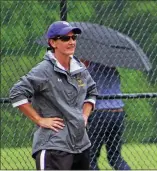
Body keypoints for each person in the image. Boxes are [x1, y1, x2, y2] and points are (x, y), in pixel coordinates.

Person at [9, 21, 98, 170]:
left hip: (81, 145)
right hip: (54, 146)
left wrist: (85, 115)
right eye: (65, 38)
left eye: (73, 38)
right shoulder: (44, 70)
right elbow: (16, 93)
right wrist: (39, 119)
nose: (71, 42)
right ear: (53, 42)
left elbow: (92, 91)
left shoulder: (79, 68)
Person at [81, 60, 131, 170]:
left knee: (89, 157)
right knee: (115, 157)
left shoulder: (89, 72)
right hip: (118, 113)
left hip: (101, 113)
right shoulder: (114, 70)